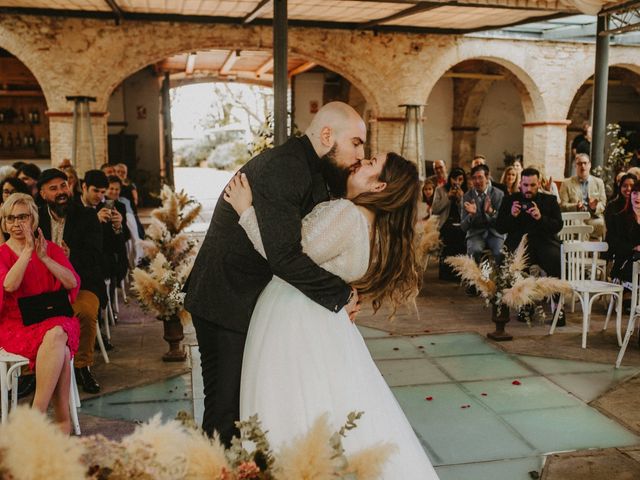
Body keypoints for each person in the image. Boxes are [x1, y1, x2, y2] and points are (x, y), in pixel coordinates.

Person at [226, 153, 440, 479]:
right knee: (326, 407)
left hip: (292, 318)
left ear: (379, 184)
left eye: (369, 162)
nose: (359, 161)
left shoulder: (349, 215)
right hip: (326, 323)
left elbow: (286, 258)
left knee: (288, 408)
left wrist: (245, 210)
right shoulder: (376, 227)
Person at [184, 102, 363, 445]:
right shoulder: (286, 168)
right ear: (327, 135)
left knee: (247, 408)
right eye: (356, 142)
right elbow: (284, 256)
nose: (360, 153)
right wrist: (342, 295)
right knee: (225, 412)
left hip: (248, 301)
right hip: (226, 301)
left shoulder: (313, 170)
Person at [0, 194, 80, 433]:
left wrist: (44, 257)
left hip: (53, 316)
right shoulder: (2, 254)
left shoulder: (50, 249)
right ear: (4, 223)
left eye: (22, 217)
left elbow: (71, 282)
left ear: (33, 219)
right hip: (17, 323)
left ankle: (36, 415)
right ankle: (61, 419)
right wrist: (26, 253)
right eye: (10, 218)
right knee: (60, 344)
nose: (16, 224)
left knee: (56, 332)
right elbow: (9, 285)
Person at [38, 169, 104, 394]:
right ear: (43, 193)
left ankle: (82, 366)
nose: (61, 192)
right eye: (53, 188)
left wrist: (70, 256)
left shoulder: (86, 216)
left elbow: (97, 256)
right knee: (26, 311)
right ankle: (31, 371)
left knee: (84, 312)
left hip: (82, 283)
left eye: (63, 186)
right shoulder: (35, 217)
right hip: (44, 287)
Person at [497, 167, 565, 324]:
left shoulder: (550, 200)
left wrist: (540, 218)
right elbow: (499, 227)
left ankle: (558, 308)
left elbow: (557, 226)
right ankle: (524, 305)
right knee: (509, 262)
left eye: (532, 185)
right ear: (520, 183)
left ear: (539, 184)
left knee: (556, 261)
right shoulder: (510, 200)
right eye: (525, 185)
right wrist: (512, 216)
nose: (528, 189)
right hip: (519, 245)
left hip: (544, 243)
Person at [461, 164, 505, 265]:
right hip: (475, 234)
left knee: (500, 253)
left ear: (487, 177)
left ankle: (500, 279)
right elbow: (463, 227)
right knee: (474, 251)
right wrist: (471, 215)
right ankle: (474, 279)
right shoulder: (467, 197)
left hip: (495, 233)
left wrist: (491, 212)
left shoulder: (498, 194)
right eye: (474, 178)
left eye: (480, 177)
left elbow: (502, 222)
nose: (477, 181)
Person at [432, 167, 467, 281]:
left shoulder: (467, 191)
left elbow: (467, 211)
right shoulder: (440, 190)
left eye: (460, 179)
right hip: (445, 222)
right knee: (448, 236)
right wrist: (448, 197)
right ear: (450, 178)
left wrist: (460, 199)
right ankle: (446, 273)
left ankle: (458, 274)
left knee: (461, 236)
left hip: (460, 222)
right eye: (454, 178)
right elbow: (435, 209)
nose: (457, 182)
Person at [559, 153, 607, 239]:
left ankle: (593, 250)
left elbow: (603, 203)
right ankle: (586, 251)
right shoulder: (566, 183)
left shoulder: (598, 182)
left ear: (590, 165)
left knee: (601, 224)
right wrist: (576, 206)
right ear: (575, 166)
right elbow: (562, 205)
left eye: (585, 163)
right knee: (581, 228)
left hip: (593, 217)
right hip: (575, 218)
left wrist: (594, 207)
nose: (583, 166)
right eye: (579, 163)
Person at [609, 182, 640, 285]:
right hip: (624, 263)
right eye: (635, 193)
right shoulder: (619, 218)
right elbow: (613, 243)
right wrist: (635, 247)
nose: (638, 197)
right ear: (631, 195)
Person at [605, 173, 636, 252]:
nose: (628, 189)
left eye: (632, 186)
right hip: (617, 248)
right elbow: (612, 233)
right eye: (625, 186)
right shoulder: (611, 206)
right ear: (620, 188)